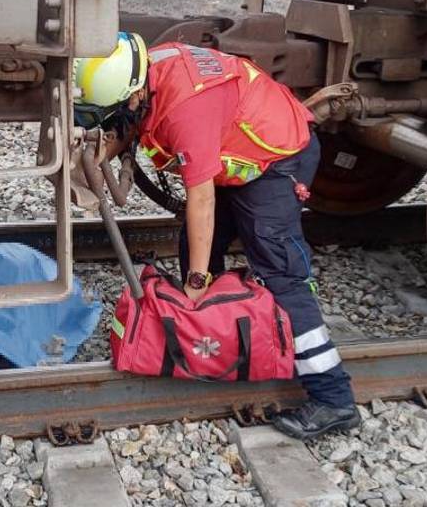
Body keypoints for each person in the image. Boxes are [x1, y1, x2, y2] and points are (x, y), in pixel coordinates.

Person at [73, 32, 359, 440]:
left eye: (114, 111)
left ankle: (334, 398)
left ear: (134, 97)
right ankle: (220, 341)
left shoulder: (185, 111)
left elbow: (201, 200)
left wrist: (195, 283)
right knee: (197, 249)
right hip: (238, 147)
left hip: (278, 156)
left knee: (280, 273)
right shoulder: (145, 69)